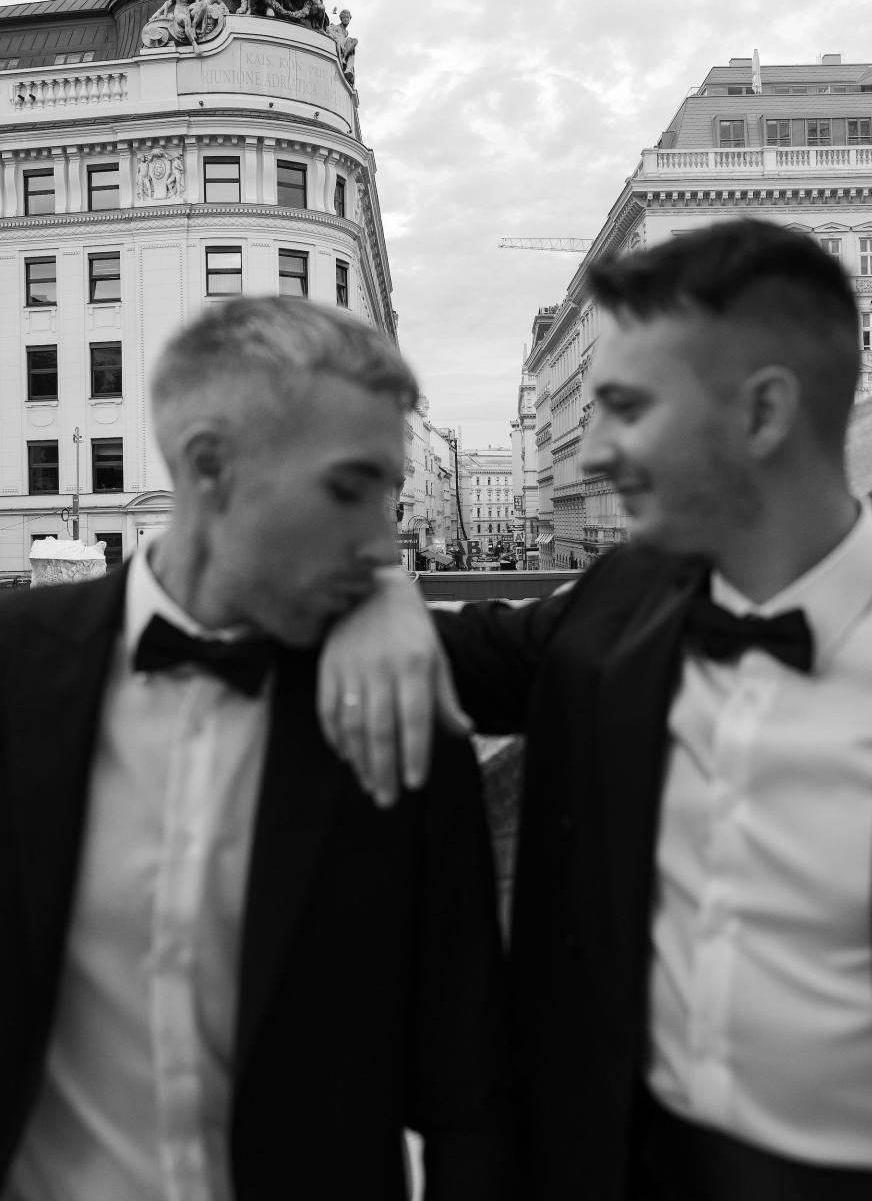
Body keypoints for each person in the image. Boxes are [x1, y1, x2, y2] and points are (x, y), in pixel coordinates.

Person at [319, 218, 872, 1201]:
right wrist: (370, 600)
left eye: (626, 406)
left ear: (762, 415)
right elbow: (472, 651)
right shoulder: (619, 602)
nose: (600, 449)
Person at [0, 297, 511, 1201]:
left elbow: (470, 1094)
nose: (385, 545)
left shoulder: (401, 715)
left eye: (390, 496)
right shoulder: (15, 671)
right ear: (210, 467)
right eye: (348, 490)